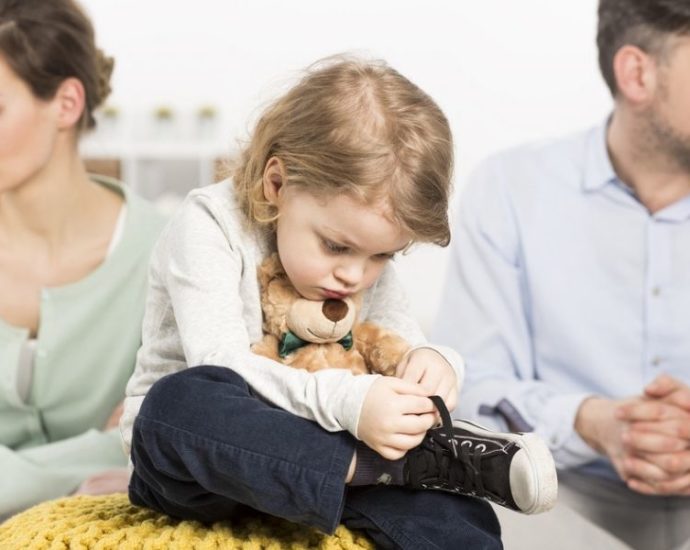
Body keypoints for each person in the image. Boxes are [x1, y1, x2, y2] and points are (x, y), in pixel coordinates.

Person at [120, 56, 558, 550]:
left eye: (382, 256)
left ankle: (405, 465)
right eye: (335, 247)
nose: (355, 274)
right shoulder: (207, 224)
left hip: (336, 462)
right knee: (177, 404)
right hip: (206, 468)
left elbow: (397, 338)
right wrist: (352, 404)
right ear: (277, 184)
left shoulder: (361, 257)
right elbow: (221, 364)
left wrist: (434, 364)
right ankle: (390, 465)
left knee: (452, 510)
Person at [433, 1, 690, 549]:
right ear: (637, 73)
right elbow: (467, 386)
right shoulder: (511, 189)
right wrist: (589, 421)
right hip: (561, 498)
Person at [0, 0, 166, 520]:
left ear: (67, 103)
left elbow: (163, 445)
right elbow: (123, 447)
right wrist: (93, 450)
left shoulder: (167, 254)